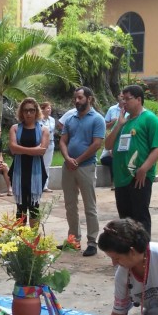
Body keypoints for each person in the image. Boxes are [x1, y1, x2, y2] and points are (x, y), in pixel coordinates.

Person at [105, 84, 158, 236]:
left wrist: (144, 168)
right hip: (121, 177)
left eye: (127, 99)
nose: (124, 102)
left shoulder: (150, 119)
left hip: (139, 176)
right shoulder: (124, 122)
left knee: (140, 217)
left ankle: (143, 252)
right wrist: (118, 125)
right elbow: (108, 145)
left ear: (139, 99)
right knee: (125, 219)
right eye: (122, 99)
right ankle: (128, 252)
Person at [59, 86, 105, 256]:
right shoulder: (70, 119)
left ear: (89, 98)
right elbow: (63, 141)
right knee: (70, 205)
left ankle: (92, 241)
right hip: (68, 167)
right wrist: (67, 159)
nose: (76, 101)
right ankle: (73, 240)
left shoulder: (97, 119)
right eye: (75, 98)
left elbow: (96, 144)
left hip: (85, 166)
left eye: (80, 97)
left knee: (89, 206)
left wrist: (77, 160)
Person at [7, 98, 49, 227]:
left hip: (36, 172)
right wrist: (33, 150)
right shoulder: (14, 128)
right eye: (25, 110)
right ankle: (21, 241)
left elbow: (42, 151)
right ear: (21, 112)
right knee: (21, 206)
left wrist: (22, 150)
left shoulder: (43, 130)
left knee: (34, 205)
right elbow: (13, 149)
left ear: (36, 111)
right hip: (19, 171)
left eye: (32, 110)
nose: (28, 113)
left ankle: (33, 242)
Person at [100, 94, 127, 190]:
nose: (123, 99)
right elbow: (105, 126)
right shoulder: (112, 110)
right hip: (110, 153)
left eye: (125, 98)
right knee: (113, 159)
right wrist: (114, 123)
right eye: (121, 96)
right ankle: (114, 182)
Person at [40, 102, 56, 192]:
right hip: (41, 143)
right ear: (42, 109)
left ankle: (45, 186)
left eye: (50, 108)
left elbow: (50, 130)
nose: (49, 110)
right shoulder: (38, 120)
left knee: (47, 165)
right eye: (48, 108)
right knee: (39, 164)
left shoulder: (52, 120)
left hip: (50, 143)